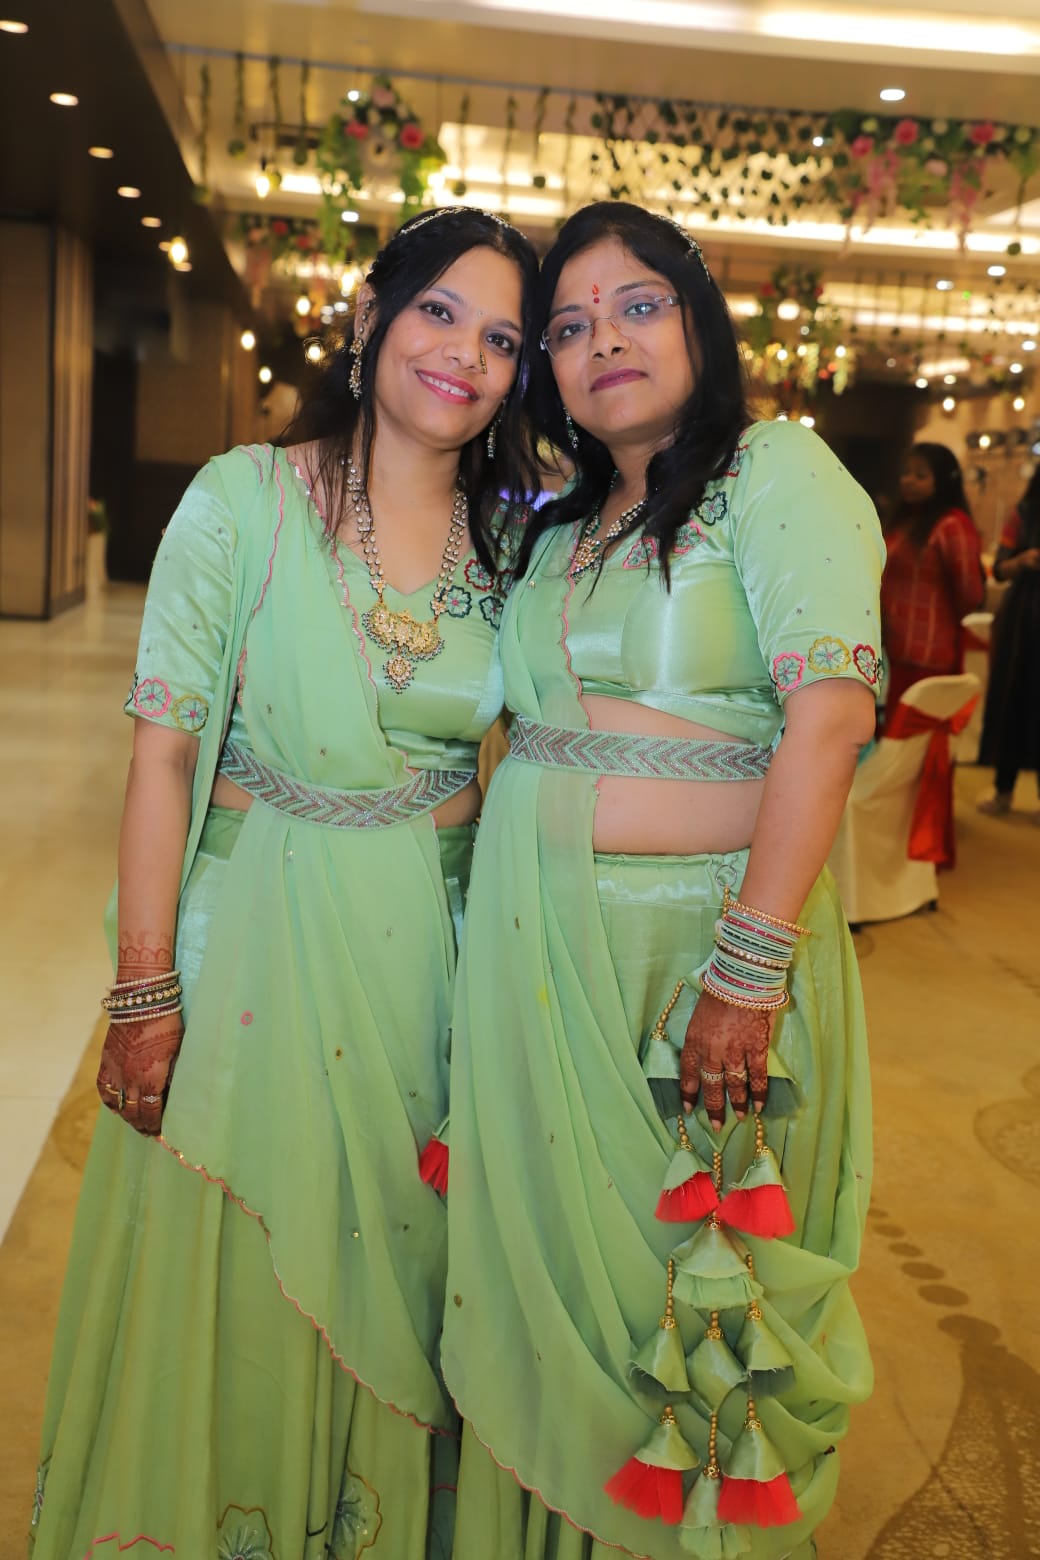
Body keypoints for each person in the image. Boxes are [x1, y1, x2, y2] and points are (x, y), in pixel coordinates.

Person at [29, 207, 537, 1559]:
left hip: (425, 980)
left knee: (395, 1278)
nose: (465, 355)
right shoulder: (243, 499)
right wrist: (145, 989)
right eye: (439, 313)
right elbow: (163, 753)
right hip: (245, 955)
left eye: (501, 339)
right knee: (232, 1274)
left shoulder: (513, 551)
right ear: (370, 319)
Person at [444, 202, 883, 1560]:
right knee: (544, 1284)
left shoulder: (775, 472)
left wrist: (747, 968)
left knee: (690, 1316)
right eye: (568, 327)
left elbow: (830, 719)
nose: (603, 342)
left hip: (693, 958)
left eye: (637, 305)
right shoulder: (560, 525)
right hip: (537, 953)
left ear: (700, 321)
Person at [880, 442, 984, 717]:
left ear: (942, 481)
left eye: (920, 475)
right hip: (894, 648)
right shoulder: (904, 522)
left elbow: (970, 593)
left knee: (914, 733)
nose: (908, 480)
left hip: (929, 653)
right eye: (906, 473)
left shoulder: (952, 524)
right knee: (893, 732)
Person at [978, 464, 1040, 816]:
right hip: (1022, 623)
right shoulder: (1024, 514)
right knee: (1012, 699)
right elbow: (999, 569)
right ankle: (1004, 789)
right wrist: (1023, 560)